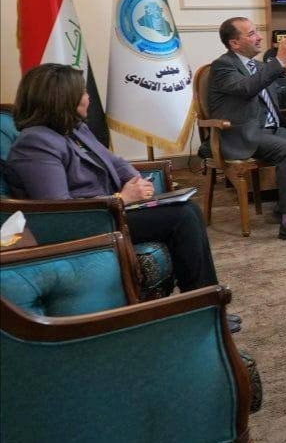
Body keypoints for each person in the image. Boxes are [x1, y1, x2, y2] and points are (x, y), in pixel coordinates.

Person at [6, 63, 238, 329]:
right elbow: (59, 208)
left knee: (187, 208)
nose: (88, 97)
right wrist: (122, 198)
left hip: (109, 211)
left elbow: (114, 162)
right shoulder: (36, 143)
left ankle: (202, 304)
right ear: (61, 98)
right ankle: (202, 309)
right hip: (82, 225)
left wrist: (134, 181)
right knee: (182, 216)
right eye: (82, 92)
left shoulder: (75, 129)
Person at [208, 17, 286, 242]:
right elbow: (246, 89)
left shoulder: (260, 67)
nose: (259, 37)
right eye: (251, 34)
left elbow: (280, 98)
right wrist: (280, 60)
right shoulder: (223, 66)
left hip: (270, 131)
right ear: (234, 43)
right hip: (242, 135)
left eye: (257, 32)